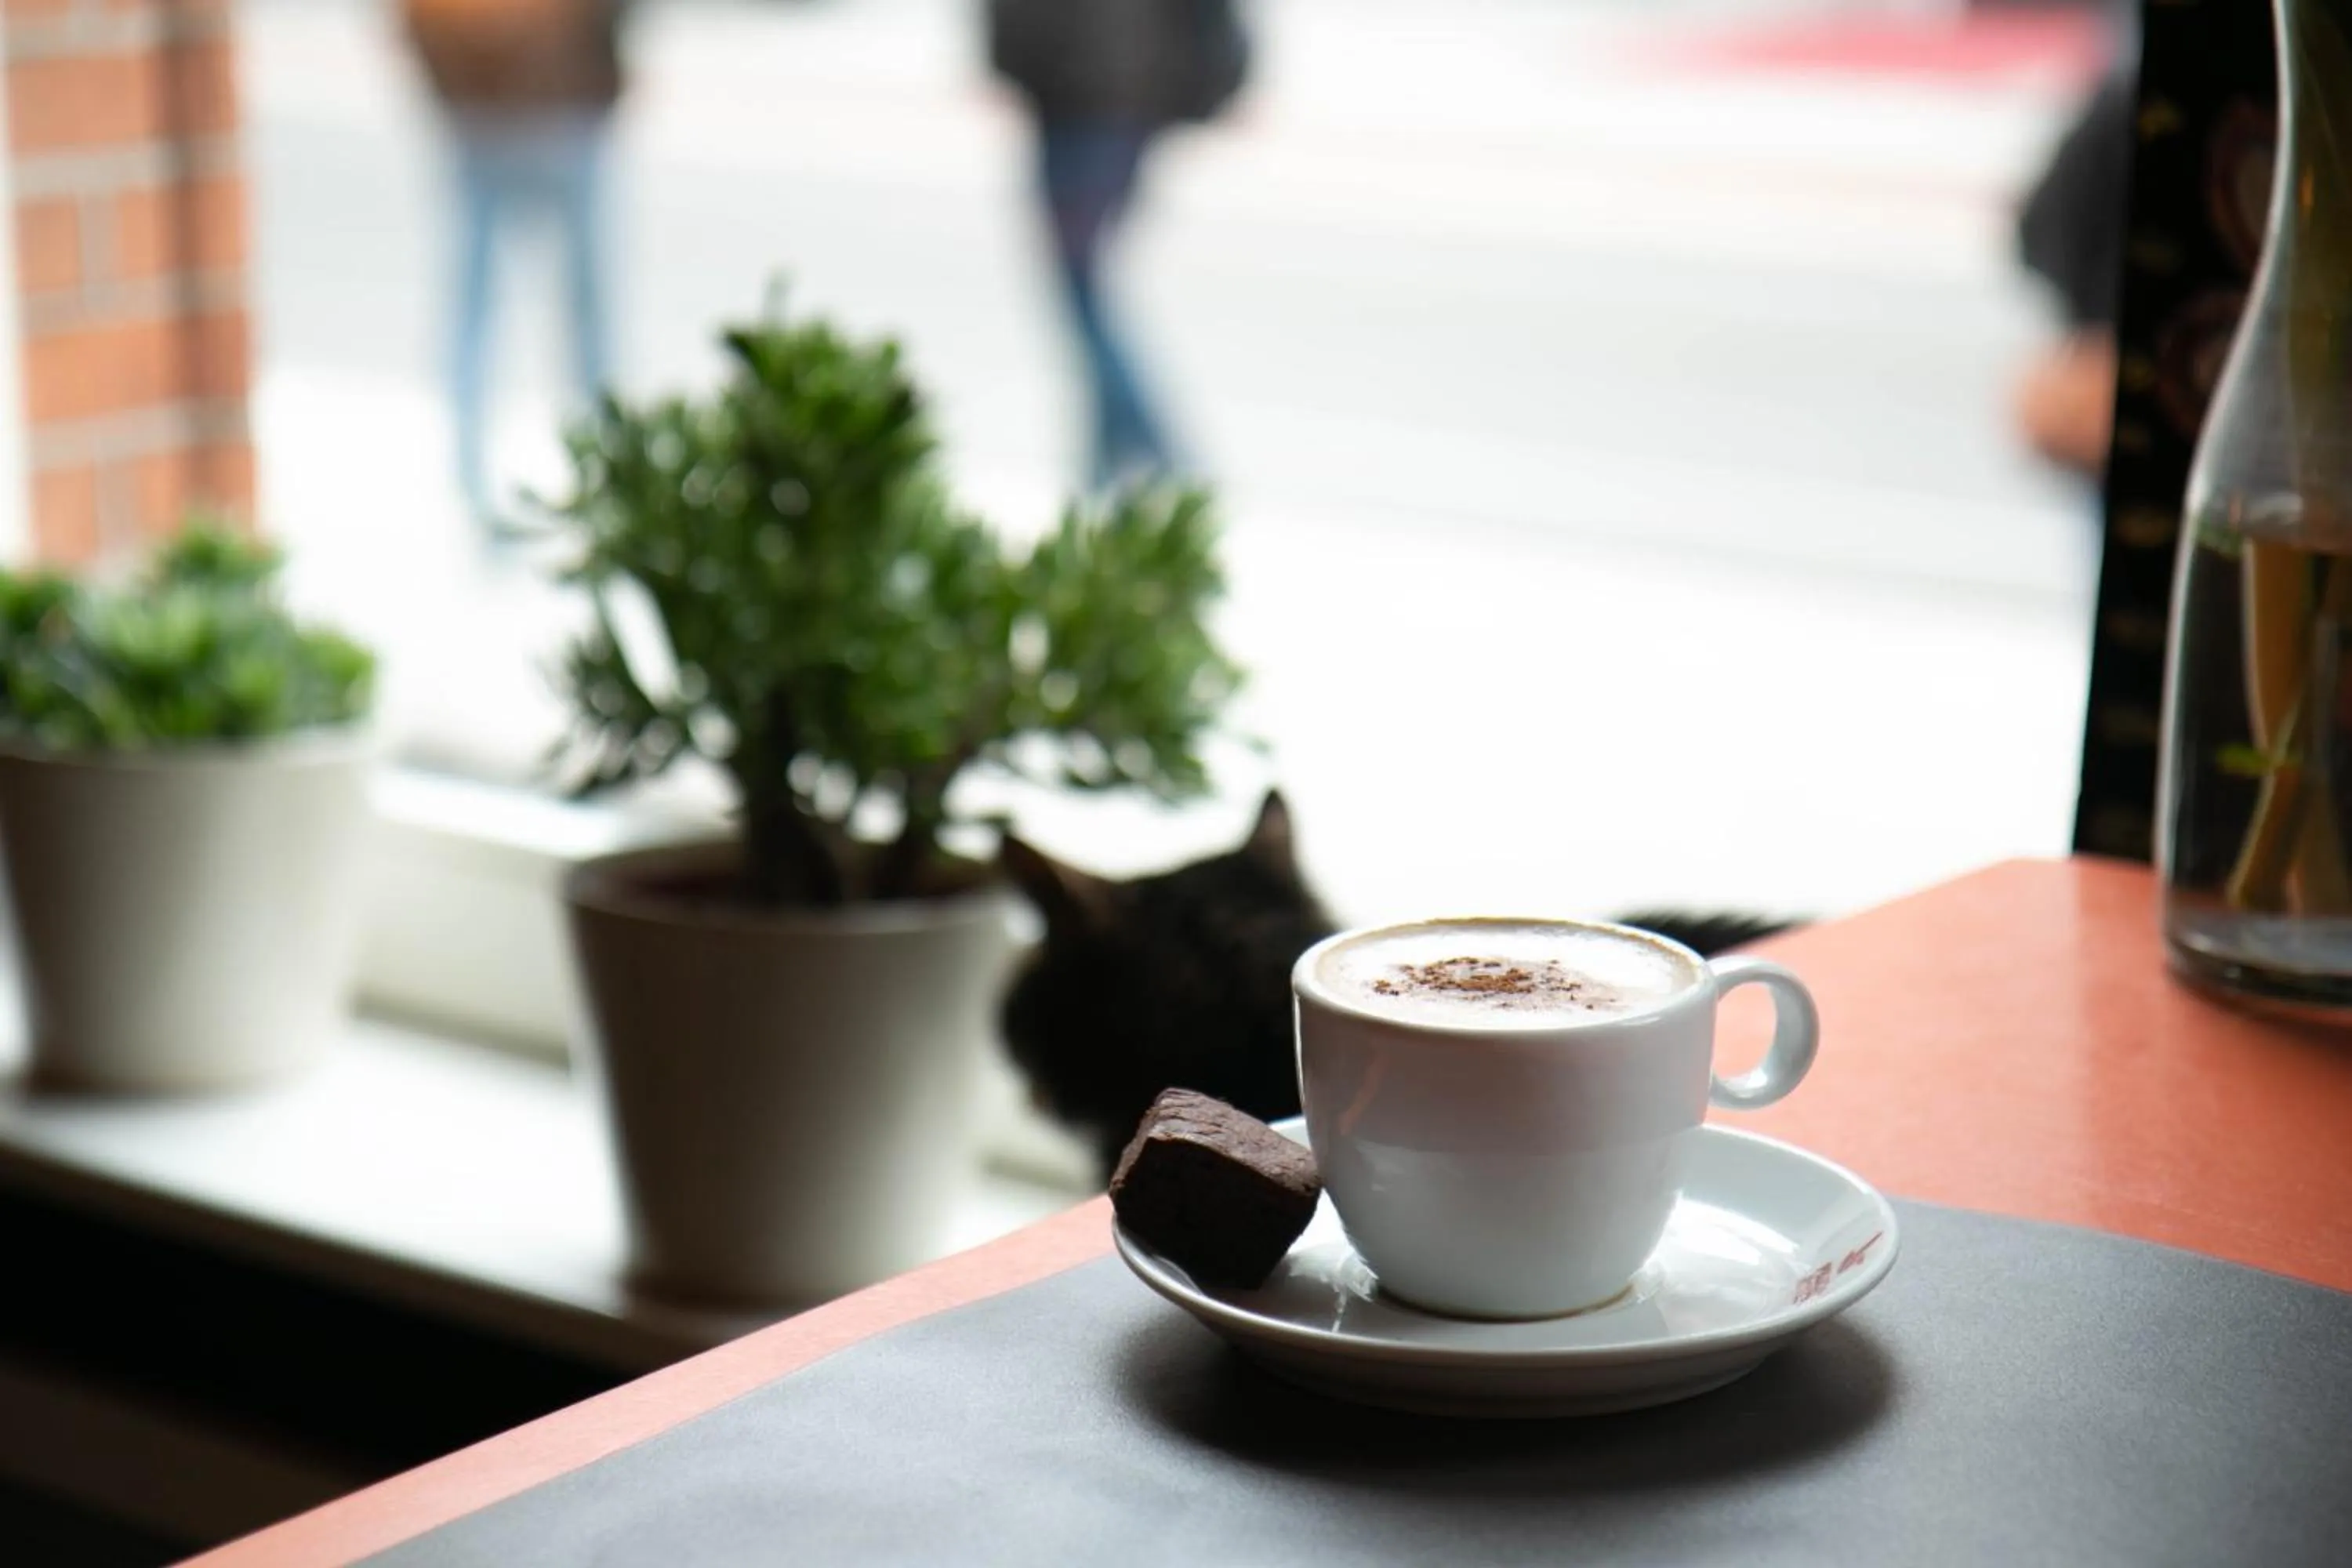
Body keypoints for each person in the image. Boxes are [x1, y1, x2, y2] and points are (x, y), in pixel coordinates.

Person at [985, 0, 1250, 493]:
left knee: (1081, 286)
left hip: (1084, 101)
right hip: (1121, 99)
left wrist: (1008, 61)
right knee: (1085, 283)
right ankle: (1104, 474)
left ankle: (1160, 458)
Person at [402, 0, 627, 537]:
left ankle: (602, 471)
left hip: (528, 112)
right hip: (511, 115)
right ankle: (479, 478)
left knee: (558, 315)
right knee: (541, 315)